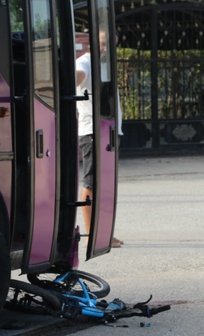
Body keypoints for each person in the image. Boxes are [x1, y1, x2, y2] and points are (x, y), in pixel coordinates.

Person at [76, 29, 124, 248]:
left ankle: (103, 233)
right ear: (93, 43)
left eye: (110, 44)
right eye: (103, 44)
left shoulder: (106, 66)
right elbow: (78, 75)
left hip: (109, 131)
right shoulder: (85, 62)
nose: (106, 49)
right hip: (92, 133)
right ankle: (90, 236)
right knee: (91, 182)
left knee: (104, 185)